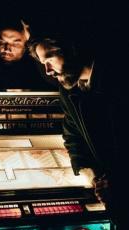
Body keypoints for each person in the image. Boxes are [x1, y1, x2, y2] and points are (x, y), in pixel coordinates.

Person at [28, 36, 117, 205]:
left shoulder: (117, 81)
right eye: (43, 63)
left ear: (72, 49)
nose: (47, 70)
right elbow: (72, 136)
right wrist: (92, 176)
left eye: (50, 59)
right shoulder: (68, 91)